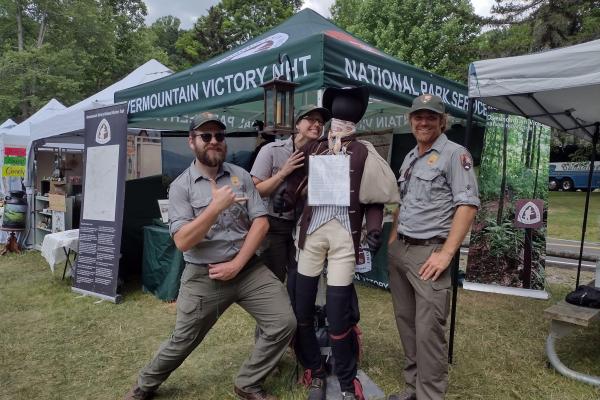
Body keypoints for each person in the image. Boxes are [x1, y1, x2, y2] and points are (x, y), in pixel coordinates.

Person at [124, 113, 296, 400]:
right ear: (192, 142)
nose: (214, 141)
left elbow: (261, 222)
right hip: (205, 275)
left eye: (219, 135)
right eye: (206, 136)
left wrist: (238, 263)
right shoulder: (181, 186)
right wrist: (214, 208)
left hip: (248, 268)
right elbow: (182, 241)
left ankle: (248, 382)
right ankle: (145, 384)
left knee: (284, 322)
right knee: (184, 339)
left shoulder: (240, 176)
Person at [284, 87, 389, 400]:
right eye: (339, 111)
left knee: (339, 311)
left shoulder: (365, 151)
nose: (342, 117)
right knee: (302, 307)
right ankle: (315, 370)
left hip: (345, 237)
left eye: (348, 111)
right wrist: (287, 196)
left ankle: (345, 379)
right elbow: (294, 183)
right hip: (312, 235)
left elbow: (374, 197)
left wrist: (373, 228)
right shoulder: (314, 148)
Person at [387, 94, 480, 400]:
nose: (423, 122)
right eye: (418, 117)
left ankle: (429, 395)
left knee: (429, 332)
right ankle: (413, 388)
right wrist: (394, 237)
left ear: (443, 121)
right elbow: (404, 201)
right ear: (410, 121)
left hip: (430, 253)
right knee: (408, 325)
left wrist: (447, 254)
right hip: (402, 250)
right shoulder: (411, 155)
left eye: (431, 117)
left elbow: (467, 206)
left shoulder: (455, 154)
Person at [250, 104, 331, 300]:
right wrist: (283, 173)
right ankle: (271, 329)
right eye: (311, 119)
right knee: (273, 282)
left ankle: (297, 327)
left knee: (300, 281)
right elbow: (255, 191)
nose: (317, 124)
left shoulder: (322, 156)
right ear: (297, 124)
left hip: (303, 227)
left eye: (320, 122)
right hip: (273, 227)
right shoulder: (272, 150)